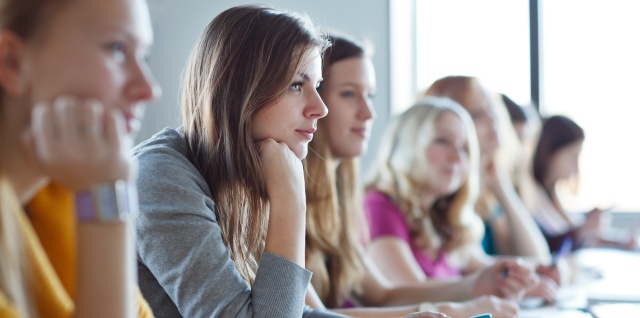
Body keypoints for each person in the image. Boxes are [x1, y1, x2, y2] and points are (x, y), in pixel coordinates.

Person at [132, 5, 372, 318]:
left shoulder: (239, 175)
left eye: (318, 86)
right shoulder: (161, 179)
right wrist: (291, 201)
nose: (320, 108)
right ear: (240, 89)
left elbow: (285, 310)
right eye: (296, 85)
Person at [303, 35, 528, 318]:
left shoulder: (341, 196)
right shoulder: (373, 203)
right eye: (348, 94)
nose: (369, 112)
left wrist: (475, 285)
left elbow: (382, 294)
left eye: (370, 95)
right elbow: (312, 315)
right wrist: (456, 308)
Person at [0, 0, 159, 316]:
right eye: (116, 48)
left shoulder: (60, 193)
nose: (148, 89)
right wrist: (107, 198)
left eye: (143, 56)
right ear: (12, 62)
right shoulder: (91, 192)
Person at [422, 76, 550, 261]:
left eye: (491, 107)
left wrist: (501, 186)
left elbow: (536, 255)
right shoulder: (446, 192)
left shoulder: (487, 185)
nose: (492, 118)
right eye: (477, 114)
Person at [522, 115, 637, 252]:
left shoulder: (552, 195)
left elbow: (569, 231)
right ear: (550, 152)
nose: (575, 167)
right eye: (571, 156)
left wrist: (619, 241)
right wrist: (582, 231)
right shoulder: (530, 193)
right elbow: (548, 245)